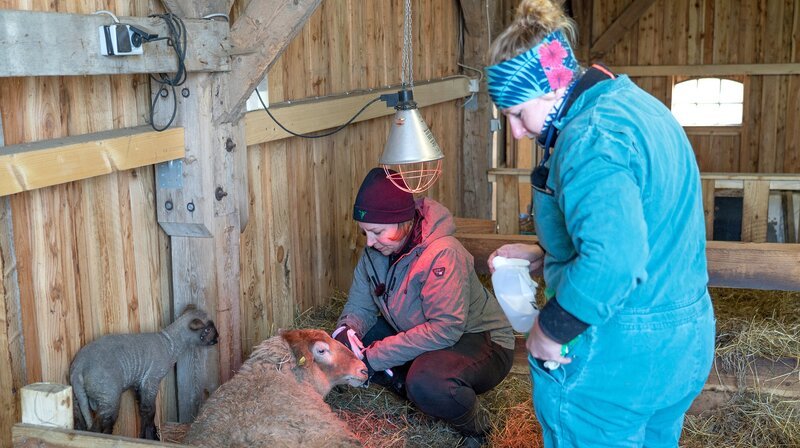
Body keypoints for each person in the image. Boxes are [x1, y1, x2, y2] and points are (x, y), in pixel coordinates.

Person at [483, 1, 716, 447]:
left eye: (516, 112)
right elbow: (638, 222)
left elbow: (616, 260)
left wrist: (551, 331)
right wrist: (544, 253)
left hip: (617, 355)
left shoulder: (589, 139)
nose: (515, 131)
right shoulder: (635, 106)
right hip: (682, 341)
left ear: (552, 89)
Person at [334, 167, 514, 447]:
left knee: (427, 382)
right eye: (365, 233)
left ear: (403, 220)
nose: (369, 242)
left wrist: (374, 358)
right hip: (421, 334)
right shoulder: (375, 253)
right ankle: (412, 392)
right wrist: (346, 331)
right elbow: (360, 306)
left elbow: (445, 329)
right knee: (356, 342)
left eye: (377, 232)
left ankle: (476, 428)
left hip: (478, 339)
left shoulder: (443, 253)